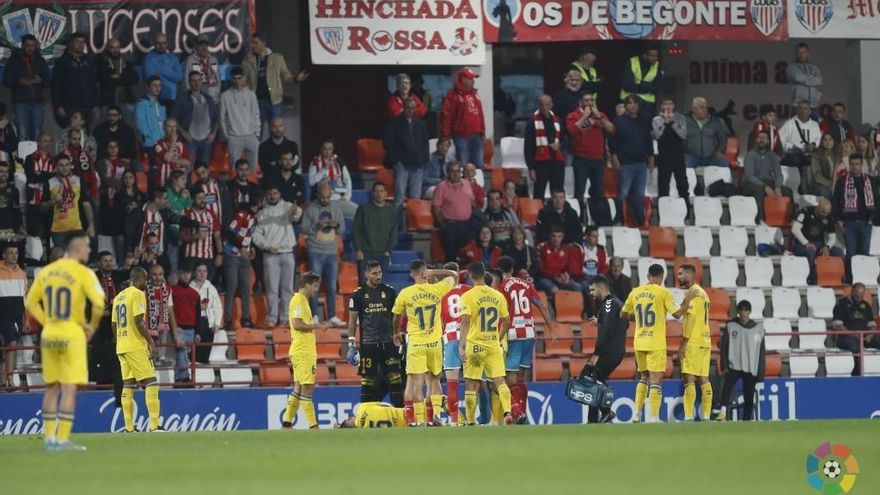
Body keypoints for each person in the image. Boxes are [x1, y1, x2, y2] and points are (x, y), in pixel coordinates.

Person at [25, 234, 105, 450]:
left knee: (51, 388)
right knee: (69, 389)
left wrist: (47, 322)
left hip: (50, 334)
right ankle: (62, 439)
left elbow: (30, 301)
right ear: (77, 250)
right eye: (87, 247)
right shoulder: (83, 273)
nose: (90, 251)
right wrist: (92, 326)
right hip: (72, 333)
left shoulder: (46, 272)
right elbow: (99, 304)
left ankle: (49, 440)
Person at [620, 263, 693, 423]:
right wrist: (687, 300)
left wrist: (636, 318)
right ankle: (653, 417)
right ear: (661, 277)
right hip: (655, 343)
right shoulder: (663, 293)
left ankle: (636, 414)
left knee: (643, 377)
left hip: (639, 342)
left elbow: (623, 314)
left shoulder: (635, 292)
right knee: (656, 380)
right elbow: (677, 314)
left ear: (648, 276)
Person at [391, 260, 458, 426]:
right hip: (434, 343)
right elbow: (455, 276)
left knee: (416, 381)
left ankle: (419, 420)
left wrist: (396, 333)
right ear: (425, 272)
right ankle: (435, 416)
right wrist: (435, 273)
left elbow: (396, 316)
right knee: (435, 380)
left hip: (416, 343)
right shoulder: (437, 289)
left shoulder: (405, 293)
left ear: (411, 274)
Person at [497, 256, 553, 424]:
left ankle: (517, 412)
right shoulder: (526, 284)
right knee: (521, 377)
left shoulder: (502, 287)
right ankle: (522, 412)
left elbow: (502, 312)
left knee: (511, 376)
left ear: (500, 271)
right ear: (512, 269)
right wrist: (551, 328)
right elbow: (541, 304)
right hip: (529, 333)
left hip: (513, 333)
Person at [459, 262, 514, 426]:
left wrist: (461, 345)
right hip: (492, 344)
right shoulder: (498, 296)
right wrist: (498, 337)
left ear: (470, 275)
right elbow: (507, 321)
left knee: (471, 384)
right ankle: (508, 412)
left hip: (475, 344)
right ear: (484, 274)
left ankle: (469, 421)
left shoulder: (468, 296)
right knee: (500, 381)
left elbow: (465, 321)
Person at [111, 266, 163, 432]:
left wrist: (119, 340)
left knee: (128, 384)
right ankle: (154, 426)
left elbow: (113, 324)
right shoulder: (137, 294)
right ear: (139, 279)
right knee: (151, 382)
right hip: (135, 345)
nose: (146, 283)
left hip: (122, 346)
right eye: (145, 279)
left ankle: (129, 428)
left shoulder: (119, 297)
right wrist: (151, 342)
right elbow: (139, 320)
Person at [348, 260, 402, 405]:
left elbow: (396, 316)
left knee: (395, 376)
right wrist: (351, 343)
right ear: (367, 274)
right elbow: (352, 321)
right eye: (374, 273)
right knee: (367, 379)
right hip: (368, 343)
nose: (378, 275)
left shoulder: (390, 292)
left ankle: (400, 412)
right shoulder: (358, 295)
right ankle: (364, 413)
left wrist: (397, 333)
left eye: (380, 272)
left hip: (388, 342)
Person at [280, 272, 327, 430]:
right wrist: (316, 326)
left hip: (301, 350)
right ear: (307, 285)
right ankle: (313, 426)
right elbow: (297, 324)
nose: (316, 289)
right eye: (314, 286)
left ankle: (286, 423)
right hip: (303, 351)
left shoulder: (302, 300)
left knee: (299, 387)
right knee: (307, 388)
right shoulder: (299, 300)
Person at [252, 187, 300, 326]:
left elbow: (296, 215)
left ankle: (285, 318)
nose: (272, 196)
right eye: (269, 193)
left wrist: (296, 211)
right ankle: (272, 318)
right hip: (270, 254)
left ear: (279, 194)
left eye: (275, 193)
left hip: (287, 253)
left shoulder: (288, 206)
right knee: (272, 289)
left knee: (287, 288)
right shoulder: (261, 214)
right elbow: (256, 235)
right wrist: (267, 246)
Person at [580, 275, 626, 423]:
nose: (591, 293)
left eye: (593, 289)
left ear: (601, 287)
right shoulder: (616, 303)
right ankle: (595, 419)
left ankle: (605, 412)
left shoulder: (608, 305)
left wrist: (596, 354)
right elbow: (623, 323)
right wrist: (600, 320)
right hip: (616, 350)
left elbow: (606, 332)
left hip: (608, 352)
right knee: (594, 380)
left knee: (590, 379)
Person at [243, 33, 309, 136]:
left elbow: (286, 76)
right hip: (256, 101)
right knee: (256, 132)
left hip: (274, 100)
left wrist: (296, 78)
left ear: (263, 44)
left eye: (256, 43)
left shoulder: (277, 58)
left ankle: (276, 151)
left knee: (276, 131)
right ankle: (257, 152)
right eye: (252, 43)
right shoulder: (248, 61)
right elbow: (244, 79)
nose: (253, 45)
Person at [302, 182, 346, 326]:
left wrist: (336, 225)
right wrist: (317, 226)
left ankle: (332, 316)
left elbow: (342, 229)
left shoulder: (336, 208)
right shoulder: (311, 209)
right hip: (315, 250)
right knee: (314, 285)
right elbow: (304, 228)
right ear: (317, 195)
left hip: (331, 252)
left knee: (332, 286)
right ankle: (314, 316)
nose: (325, 200)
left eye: (328, 198)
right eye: (323, 197)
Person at [567, 92, 614, 225]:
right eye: (586, 100)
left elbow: (612, 129)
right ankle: (577, 220)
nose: (589, 103)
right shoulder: (573, 115)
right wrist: (585, 116)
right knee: (579, 191)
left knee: (598, 191)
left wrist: (600, 118)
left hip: (597, 159)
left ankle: (598, 220)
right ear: (580, 102)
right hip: (581, 158)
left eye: (591, 100)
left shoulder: (600, 115)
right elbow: (571, 131)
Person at [125, 187, 200, 270]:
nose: (167, 201)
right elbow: (129, 234)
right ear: (157, 199)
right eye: (165, 198)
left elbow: (179, 219)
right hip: (141, 258)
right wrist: (129, 252)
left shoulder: (164, 213)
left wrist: (198, 224)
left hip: (160, 257)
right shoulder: (137, 213)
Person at [675, 264, 712, 421]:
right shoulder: (703, 293)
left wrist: (683, 343)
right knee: (704, 378)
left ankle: (689, 417)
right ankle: (707, 416)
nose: (678, 277)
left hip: (693, 341)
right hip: (705, 340)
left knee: (688, 378)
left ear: (691, 275)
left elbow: (690, 319)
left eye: (681, 274)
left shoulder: (693, 294)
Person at [716, 300, 765, 421]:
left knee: (749, 396)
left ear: (750, 312)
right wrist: (724, 365)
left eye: (746, 310)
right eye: (741, 310)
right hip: (734, 365)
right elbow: (724, 347)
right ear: (738, 312)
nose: (743, 313)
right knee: (727, 387)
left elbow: (761, 352)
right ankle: (722, 412)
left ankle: (747, 420)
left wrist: (760, 373)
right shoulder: (731, 326)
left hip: (749, 367)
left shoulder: (758, 329)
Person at [610, 95, 653, 226]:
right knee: (622, 193)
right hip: (625, 164)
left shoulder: (644, 121)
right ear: (625, 106)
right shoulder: (618, 121)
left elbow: (648, 141)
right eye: (629, 103)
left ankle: (638, 221)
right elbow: (613, 142)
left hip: (641, 163)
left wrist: (651, 158)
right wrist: (615, 158)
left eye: (635, 103)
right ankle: (619, 219)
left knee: (639, 195)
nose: (632, 106)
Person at [833, 155, 876, 281]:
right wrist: (838, 220)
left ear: (861, 164)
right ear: (849, 165)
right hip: (849, 223)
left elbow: (876, 201)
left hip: (865, 222)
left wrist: (872, 218)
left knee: (864, 254)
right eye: (852, 164)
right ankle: (851, 280)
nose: (854, 166)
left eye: (857, 164)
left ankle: (864, 279)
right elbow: (835, 202)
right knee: (851, 253)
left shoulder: (869, 181)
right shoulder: (842, 182)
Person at [222, 194, 260, 330]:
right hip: (232, 254)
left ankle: (246, 318)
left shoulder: (254, 218)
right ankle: (227, 319)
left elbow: (249, 234)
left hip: (244, 256)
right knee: (232, 286)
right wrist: (241, 247)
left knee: (245, 287)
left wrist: (251, 248)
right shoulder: (241, 214)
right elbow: (230, 232)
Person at [384, 97, 429, 210]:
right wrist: (396, 160)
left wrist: (424, 159)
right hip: (402, 164)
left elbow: (425, 143)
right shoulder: (394, 123)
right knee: (399, 196)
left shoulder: (420, 124)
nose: (410, 110)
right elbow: (388, 143)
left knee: (415, 197)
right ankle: (397, 226)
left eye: (413, 108)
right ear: (403, 108)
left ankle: (412, 225)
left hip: (418, 164)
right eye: (408, 108)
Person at [3, 34, 50, 141]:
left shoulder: (40, 60)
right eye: (28, 45)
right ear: (22, 46)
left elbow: (48, 80)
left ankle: (36, 158)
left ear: (36, 46)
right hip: (21, 102)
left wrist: (40, 80)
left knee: (37, 134)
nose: (30, 48)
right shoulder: (13, 60)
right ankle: (23, 158)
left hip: (37, 102)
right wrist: (20, 81)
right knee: (22, 133)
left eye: (33, 45)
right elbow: (6, 80)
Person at [42, 154, 96, 248]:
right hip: (57, 230)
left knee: (78, 259)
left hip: (77, 228)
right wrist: (53, 201)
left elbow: (86, 203)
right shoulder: (49, 182)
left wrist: (91, 224)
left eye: (67, 165)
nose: (65, 168)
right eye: (61, 165)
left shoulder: (78, 181)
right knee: (61, 258)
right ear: (56, 167)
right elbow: (42, 207)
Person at [438, 262, 468, 425]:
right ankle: (472, 420)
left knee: (452, 384)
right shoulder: (468, 290)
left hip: (450, 339)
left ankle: (454, 421)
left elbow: (440, 321)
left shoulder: (440, 294)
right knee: (475, 383)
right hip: (468, 338)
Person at [741, 130, 794, 222]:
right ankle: (761, 220)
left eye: (764, 138)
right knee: (759, 192)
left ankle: (790, 219)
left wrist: (777, 187)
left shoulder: (772, 155)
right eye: (759, 138)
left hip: (769, 183)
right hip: (752, 184)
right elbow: (749, 176)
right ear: (756, 140)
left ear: (768, 141)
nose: (761, 140)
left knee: (787, 191)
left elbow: (778, 174)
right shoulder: (750, 155)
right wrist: (764, 186)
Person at [440, 68, 485, 168]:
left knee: (479, 164)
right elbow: (446, 116)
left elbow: (480, 114)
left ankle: (476, 183)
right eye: (471, 78)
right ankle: (464, 183)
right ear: (463, 79)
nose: (473, 81)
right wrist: (446, 135)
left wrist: (482, 131)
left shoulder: (475, 94)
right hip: (461, 136)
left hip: (477, 135)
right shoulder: (453, 96)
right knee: (463, 164)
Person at [51, 33, 99, 128]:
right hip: (70, 106)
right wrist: (59, 105)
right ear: (71, 43)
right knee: (72, 133)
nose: (80, 44)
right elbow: (56, 85)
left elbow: (93, 84)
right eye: (77, 42)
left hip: (87, 105)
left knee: (87, 133)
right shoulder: (62, 61)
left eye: (82, 42)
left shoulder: (89, 60)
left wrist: (96, 105)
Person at [353, 181, 397, 283]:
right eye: (376, 191)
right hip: (365, 253)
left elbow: (394, 233)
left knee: (379, 286)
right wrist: (358, 249)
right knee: (365, 285)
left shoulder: (391, 211)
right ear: (372, 193)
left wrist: (388, 250)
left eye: (381, 191)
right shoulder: (363, 209)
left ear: (386, 193)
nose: (379, 194)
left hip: (383, 254)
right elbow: (356, 230)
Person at [432, 161, 476, 261]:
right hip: (450, 225)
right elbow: (435, 208)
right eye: (452, 171)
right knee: (450, 250)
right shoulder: (441, 187)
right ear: (447, 172)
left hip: (467, 224)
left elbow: (472, 202)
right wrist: (442, 225)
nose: (455, 174)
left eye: (458, 171)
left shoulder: (467, 183)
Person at [792, 198, 844, 284]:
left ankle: (839, 279)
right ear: (818, 208)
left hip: (819, 244)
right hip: (802, 244)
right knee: (811, 252)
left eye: (827, 213)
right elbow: (795, 229)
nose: (825, 215)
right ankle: (810, 279)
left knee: (839, 252)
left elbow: (832, 237)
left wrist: (827, 247)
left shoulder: (829, 216)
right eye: (823, 213)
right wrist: (806, 243)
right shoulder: (806, 211)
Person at [832, 283, 880, 376]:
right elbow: (838, 325)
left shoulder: (865, 305)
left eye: (861, 297)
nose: (859, 299)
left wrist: (870, 334)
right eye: (857, 297)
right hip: (846, 337)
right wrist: (854, 335)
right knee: (855, 347)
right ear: (852, 292)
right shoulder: (841, 304)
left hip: (865, 337)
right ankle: (857, 374)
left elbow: (872, 324)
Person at [173, 70, 219, 166]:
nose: (196, 83)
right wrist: (183, 133)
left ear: (201, 82)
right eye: (193, 80)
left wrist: (213, 133)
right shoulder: (182, 99)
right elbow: (173, 119)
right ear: (189, 82)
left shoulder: (208, 99)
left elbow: (216, 119)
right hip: (190, 140)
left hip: (206, 140)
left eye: (198, 80)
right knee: (188, 168)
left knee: (204, 168)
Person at [524, 95, 565, 199]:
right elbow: (528, 147)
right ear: (538, 105)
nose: (544, 107)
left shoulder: (558, 121)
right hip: (540, 163)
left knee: (557, 191)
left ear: (551, 105)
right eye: (542, 104)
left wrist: (559, 145)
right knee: (539, 192)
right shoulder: (532, 122)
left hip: (557, 162)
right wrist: (531, 168)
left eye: (547, 104)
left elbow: (565, 140)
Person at [220, 67, 261, 169]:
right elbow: (222, 117)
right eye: (235, 78)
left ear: (244, 78)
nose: (237, 81)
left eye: (239, 78)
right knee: (233, 167)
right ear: (231, 79)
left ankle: (252, 185)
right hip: (234, 136)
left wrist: (257, 133)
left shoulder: (251, 95)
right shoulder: (225, 96)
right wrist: (227, 135)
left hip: (251, 135)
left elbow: (256, 114)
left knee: (253, 168)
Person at [308, 139, 357, 220]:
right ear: (321, 149)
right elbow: (311, 182)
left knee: (360, 212)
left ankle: (335, 215)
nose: (327, 152)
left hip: (338, 200)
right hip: (322, 201)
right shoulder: (315, 162)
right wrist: (323, 169)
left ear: (333, 149)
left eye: (330, 149)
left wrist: (347, 197)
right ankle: (333, 215)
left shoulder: (339, 161)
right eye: (325, 149)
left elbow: (347, 180)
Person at [652, 96, 689, 204]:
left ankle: (686, 217)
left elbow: (683, 136)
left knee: (683, 187)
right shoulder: (656, 120)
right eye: (665, 104)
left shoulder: (681, 118)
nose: (668, 106)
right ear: (661, 106)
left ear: (674, 106)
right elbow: (657, 136)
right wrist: (665, 123)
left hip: (678, 157)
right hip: (663, 157)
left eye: (670, 103)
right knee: (663, 188)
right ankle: (662, 217)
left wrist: (672, 122)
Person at [0, 245, 26, 388]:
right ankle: (6, 380)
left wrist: (25, 317)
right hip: (2, 314)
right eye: (10, 253)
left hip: (15, 316)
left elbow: (24, 298)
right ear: (4, 255)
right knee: (10, 345)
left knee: (12, 346)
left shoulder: (21, 273)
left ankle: (7, 380)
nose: (14, 256)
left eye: (16, 253)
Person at [534, 226, 585, 299]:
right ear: (549, 236)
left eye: (559, 237)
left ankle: (575, 309)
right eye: (553, 236)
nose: (556, 239)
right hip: (544, 278)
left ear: (563, 237)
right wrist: (554, 277)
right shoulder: (541, 247)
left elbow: (567, 267)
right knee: (555, 290)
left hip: (560, 278)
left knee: (577, 287)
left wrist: (566, 275)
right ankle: (557, 310)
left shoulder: (565, 249)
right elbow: (540, 269)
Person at [170, 265, 201, 384]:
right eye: (184, 273)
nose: (186, 276)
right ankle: (184, 377)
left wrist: (197, 332)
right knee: (181, 352)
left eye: (188, 273)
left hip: (191, 328)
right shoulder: (172, 291)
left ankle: (178, 379)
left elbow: (198, 314)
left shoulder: (195, 294)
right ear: (179, 274)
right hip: (179, 327)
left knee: (183, 355)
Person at [181, 188, 222, 279]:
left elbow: (217, 236)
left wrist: (219, 254)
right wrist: (195, 236)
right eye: (199, 198)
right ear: (193, 200)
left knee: (205, 284)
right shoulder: (187, 214)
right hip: (191, 256)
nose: (202, 200)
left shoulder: (211, 215)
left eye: (204, 197)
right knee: (190, 284)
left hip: (208, 256)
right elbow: (182, 237)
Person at [97, 38, 139, 119]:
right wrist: (122, 78)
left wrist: (119, 76)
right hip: (108, 102)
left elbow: (135, 79)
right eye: (112, 48)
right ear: (107, 48)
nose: (115, 50)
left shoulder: (125, 62)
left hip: (125, 101)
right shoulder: (102, 62)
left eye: (117, 47)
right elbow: (106, 80)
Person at [684, 97, 730, 168]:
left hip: (711, 156)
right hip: (691, 156)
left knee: (724, 164)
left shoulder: (715, 121)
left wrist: (720, 150)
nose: (705, 110)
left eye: (706, 107)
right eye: (702, 107)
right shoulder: (684, 121)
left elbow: (723, 138)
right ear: (694, 109)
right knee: (682, 165)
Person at [619, 44, 663, 119]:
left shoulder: (657, 65)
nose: (655, 58)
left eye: (656, 56)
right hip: (628, 102)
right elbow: (627, 85)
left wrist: (639, 83)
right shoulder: (632, 62)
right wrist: (647, 87)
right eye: (652, 56)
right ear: (645, 55)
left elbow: (657, 87)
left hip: (647, 106)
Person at [143, 32, 183, 112]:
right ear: (154, 44)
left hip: (171, 98)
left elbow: (179, 77)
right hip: (156, 98)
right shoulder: (148, 58)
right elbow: (151, 77)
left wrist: (162, 71)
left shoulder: (173, 58)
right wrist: (170, 72)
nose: (161, 46)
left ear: (167, 44)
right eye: (159, 43)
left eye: (164, 43)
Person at [190, 262, 222, 364]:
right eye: (199, 271)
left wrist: (217, 323)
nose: (202, 273)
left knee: (204, 355)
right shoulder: (190, 287)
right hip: (193, 323)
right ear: (194, 273)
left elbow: (217, 307)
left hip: (208, 323)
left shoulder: (211, 288)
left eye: (205, 271)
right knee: (193, 356)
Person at [136, 76, 168, 169]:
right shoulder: (141, 103)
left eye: (159, 85)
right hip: (150, 144)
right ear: (148, 87)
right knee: (154, 171)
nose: (157, 88)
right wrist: (153, 138)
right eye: (154, 85)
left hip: (163, 143)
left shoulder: (161, 105)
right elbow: (141, 125)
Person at [779, 100, 820, 170]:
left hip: (809, 157)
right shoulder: (789, 124)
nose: (802, 111)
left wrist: (813, 145)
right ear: (797, 110)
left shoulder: (815, 125)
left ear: (810, 111)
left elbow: (819, 139)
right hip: (793, 157)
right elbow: (780, 139)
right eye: (800, 108)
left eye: (805, 108)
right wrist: (792, 147)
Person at [153, 117, 191, 189]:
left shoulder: (181, 144)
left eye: (174, 127)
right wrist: (173, 142)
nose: (172, 130)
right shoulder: (158, 144)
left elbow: (187, 162)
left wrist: (173, 160)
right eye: (169, 127)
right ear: (164, 128)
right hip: (164, 182)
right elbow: (167, 158)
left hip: (179, 183)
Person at [193, 161, 232, 230]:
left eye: (203, 172)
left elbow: (228, 206)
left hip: (222, 226)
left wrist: (227, 225)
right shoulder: (195, 189)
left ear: (208, 170)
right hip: (205, 227)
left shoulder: (221, 186)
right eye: (198, 174)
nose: (202, 176)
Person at [183, 35, 221, 101]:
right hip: (197, 101)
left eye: (206, 45)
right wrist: (192, 97)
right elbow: (186, 80)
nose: (204, 48)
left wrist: (216, 93)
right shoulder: (190, 60)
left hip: (214, 99)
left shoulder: (213, 59)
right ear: (196, 46)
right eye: (201, 45)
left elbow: (218, 79)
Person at [786, 42, 823, 111]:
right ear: (796, 54)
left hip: (813, 105)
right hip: (797, 105)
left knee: (815, 122)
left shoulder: (814, 68)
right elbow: (797, 77)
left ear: (808, 53)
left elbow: (819, 80)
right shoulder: (791, 67)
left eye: (804, 52)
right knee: (795, 122)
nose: (801, 55)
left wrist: (805, 80)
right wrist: (812, 78)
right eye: (799, 52)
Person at [553, 70, 584, 145]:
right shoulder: (559, 96)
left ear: (581, 81)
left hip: (584, 136)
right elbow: (555, 117)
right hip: (565, 137)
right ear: (566, 81)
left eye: (577, 80)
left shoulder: (585, 96)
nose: (574, 83)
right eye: (571, 80)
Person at [336, 402, 407, 428]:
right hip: (404, 413)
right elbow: (385, 405)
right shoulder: (362, 410)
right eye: (349, 418)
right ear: (350, 420)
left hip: (405, 426)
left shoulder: (366, 429)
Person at [811, 133, 839, 199]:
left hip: (835, 183)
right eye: (825, 140)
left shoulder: (837, 155)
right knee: (829, 193)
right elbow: (817, 176)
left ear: (834, 141)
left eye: (830, 139)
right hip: (820, 185)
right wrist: (830, 184)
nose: (828, 142)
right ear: (822, 142)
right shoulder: (816, 155)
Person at [0, 162, 23, 234]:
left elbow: (17, 210)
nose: (4, 174)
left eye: (6, 172)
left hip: (10, 229)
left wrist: (20, 227)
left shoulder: (14, 190)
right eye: (1, 171)